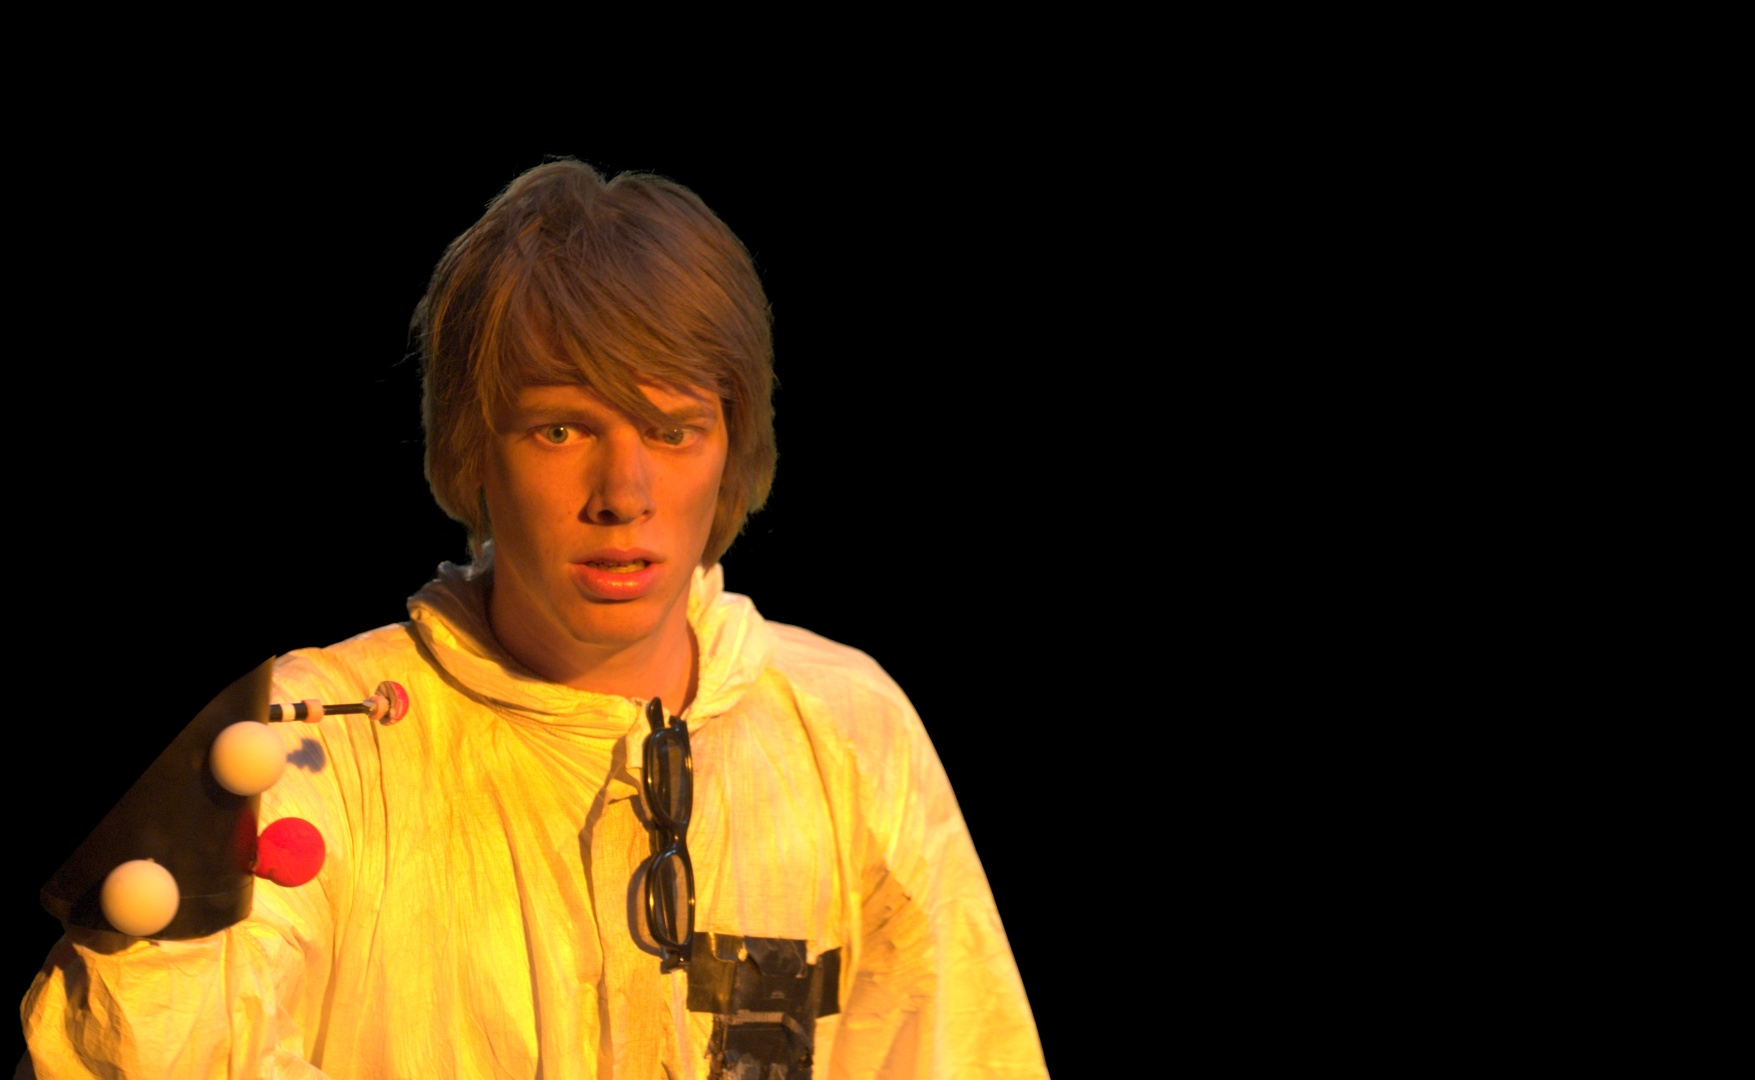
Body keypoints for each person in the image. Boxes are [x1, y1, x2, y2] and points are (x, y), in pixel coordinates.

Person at [18, 159, 1047, 1078]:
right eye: (560, 429)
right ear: (475, 449)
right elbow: (148, 1056)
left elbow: (958, 1052)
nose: (624, 494)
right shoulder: (313, 743)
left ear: (732, 446)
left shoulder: (845, 729)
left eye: (673, 430)